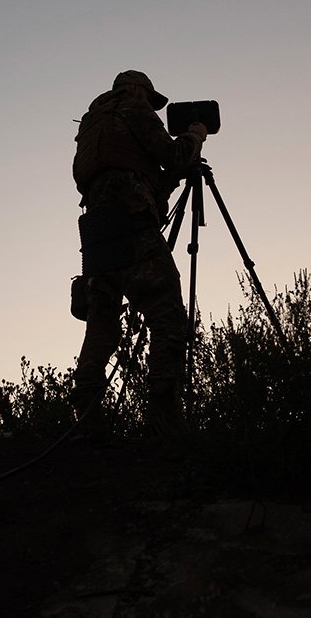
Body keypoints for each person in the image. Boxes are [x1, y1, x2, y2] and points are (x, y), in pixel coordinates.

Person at [71, 70, 208, 436]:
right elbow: (172, 154)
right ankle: (164, 418)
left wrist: (169, 179)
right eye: (150, 99)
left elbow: (129, 173)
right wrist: (195, 136)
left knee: (102, 324)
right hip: (133, 226)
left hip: (99, 231)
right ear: (136, 90)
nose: (152, 107)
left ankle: (86, 417)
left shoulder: (92, 124)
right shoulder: (133, 108)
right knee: (168, 316)